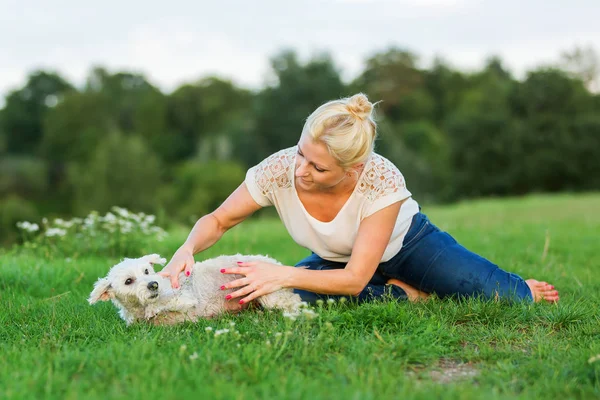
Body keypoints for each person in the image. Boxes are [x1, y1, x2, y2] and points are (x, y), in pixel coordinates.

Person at [159, 93, 559, 309]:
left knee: (505, 299)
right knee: (279, 297)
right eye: (301, 154)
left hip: (409, 248)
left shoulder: (380, 178)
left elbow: (354, 279)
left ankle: (512, 287)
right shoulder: (279, 168)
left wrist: (281, 272)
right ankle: (405, 294)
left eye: (318, 168)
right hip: (336, 261)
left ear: (352, 169)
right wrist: (187, 247)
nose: (300, 171)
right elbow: (219, 219)